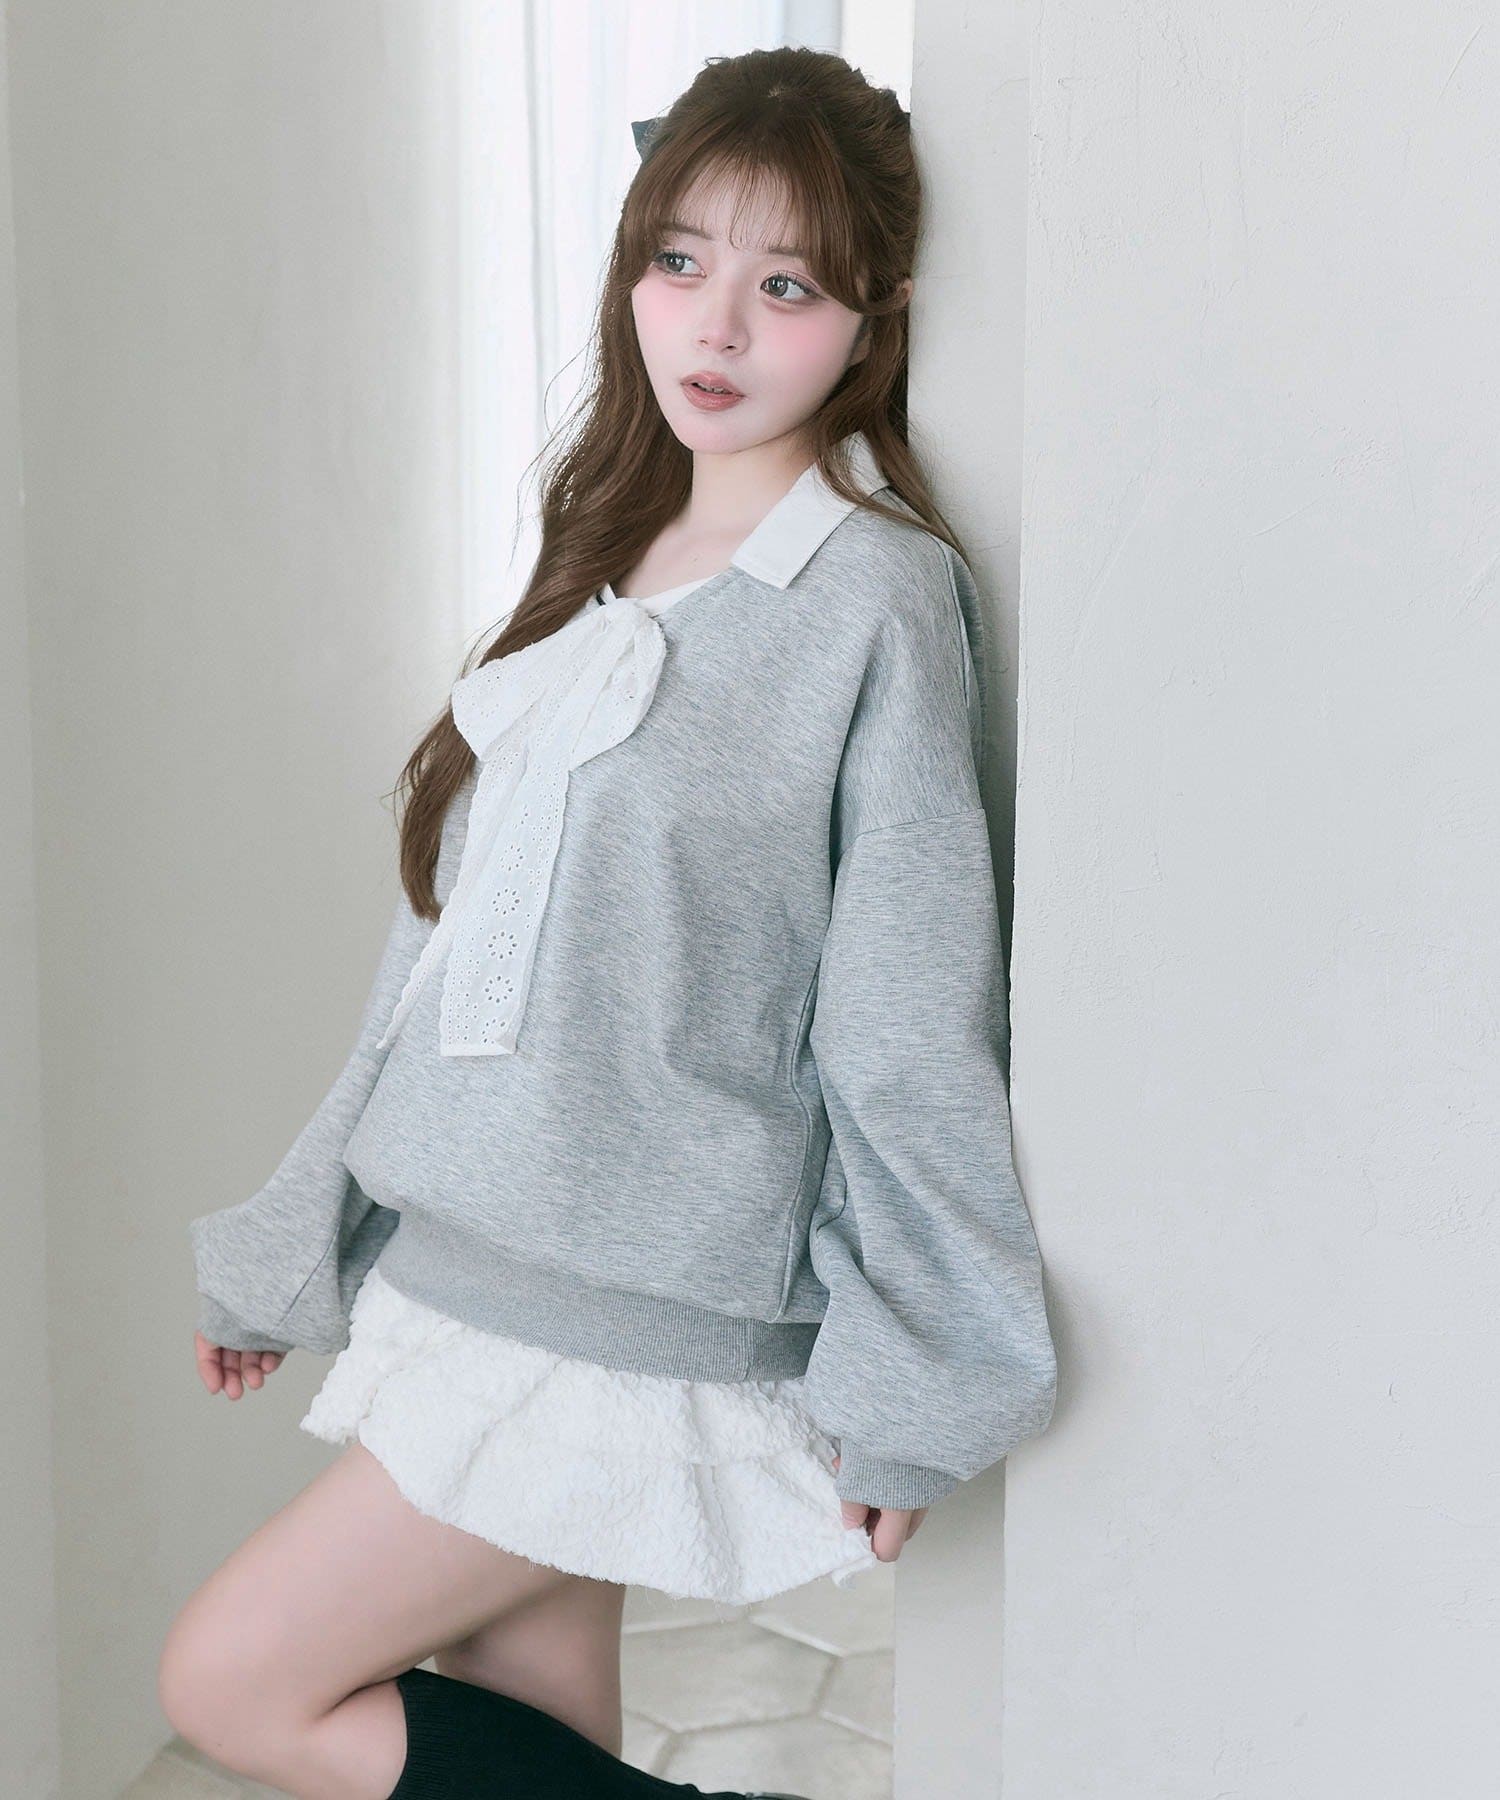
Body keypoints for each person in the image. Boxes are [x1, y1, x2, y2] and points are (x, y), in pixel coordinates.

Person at [159, 44, 1058, 1800]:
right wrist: (293, 1244)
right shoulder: (603, 555)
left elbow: (905, 1014)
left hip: (622, 1320)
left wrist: (922, 1373)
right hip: (465, 1274)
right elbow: (433, 969)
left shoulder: (875, 599)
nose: (715, 324)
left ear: (871, 322)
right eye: (679, 258)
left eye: (786, 285)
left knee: (234, 1677)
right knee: (540, 1739)